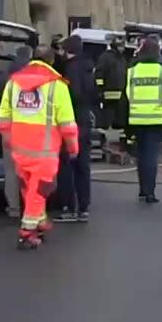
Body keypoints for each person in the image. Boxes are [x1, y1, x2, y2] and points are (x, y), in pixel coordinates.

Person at [0, 46, 79, 249]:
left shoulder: (13, 82)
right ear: (51, 61)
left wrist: (8, 139)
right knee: (41, 188)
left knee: (30, 188)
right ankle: (27, 231)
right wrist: (73, 147)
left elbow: (4, 118)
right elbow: (67, 123)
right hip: (45, 150)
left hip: (20, 148)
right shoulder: (56, 85)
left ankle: (40, 221)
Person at [125, 37, 162, 204]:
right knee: (150, 157)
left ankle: (143, 189)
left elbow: (124, 98)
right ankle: (149, 192)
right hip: (156, 121)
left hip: (136, 120)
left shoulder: (132, 71)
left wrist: (123, 125)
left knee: (141, 156)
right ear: (157, 53)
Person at [54, 35, 98, 222]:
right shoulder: (89, 67)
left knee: (67, 165)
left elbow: (73, 94)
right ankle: (84, 207)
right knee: (83, 165)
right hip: (85, 119)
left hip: (72, 121)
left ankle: (68, 207)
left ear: (68, 50)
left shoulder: (71, 69)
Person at [0, 44, 33, 219]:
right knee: (31, 170)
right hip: (33, 131)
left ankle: (14, 209)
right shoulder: (38, 79)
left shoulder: (4, 78)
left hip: (11, 130)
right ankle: (31, 208)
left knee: (11, 171)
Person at [95, 35, 127, 129]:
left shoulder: (122, 59)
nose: (123, 48)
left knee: (119, 122)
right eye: (120, 46)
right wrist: (100, 90)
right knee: (108, 118)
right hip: (109, 95)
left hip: (121, 95)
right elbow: (99, 75)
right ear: (115, 46)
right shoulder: (105, 57)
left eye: (123, 46)